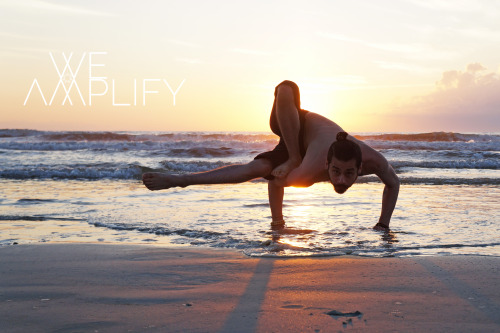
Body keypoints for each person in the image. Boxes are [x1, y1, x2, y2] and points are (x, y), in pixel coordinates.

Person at [142, 80, 400, 232]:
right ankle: (294, 155)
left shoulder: (374, 160)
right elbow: (276, 184)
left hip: (305, 147)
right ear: (326, 164)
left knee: (252, 170)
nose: (342, 180)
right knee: (286, 88)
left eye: (349, 173)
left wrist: (383, 224)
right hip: (294, 125)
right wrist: (278, 223)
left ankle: (179, 179)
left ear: (360, 167)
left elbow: (393, 182)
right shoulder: (309, 170)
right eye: (335, 172)